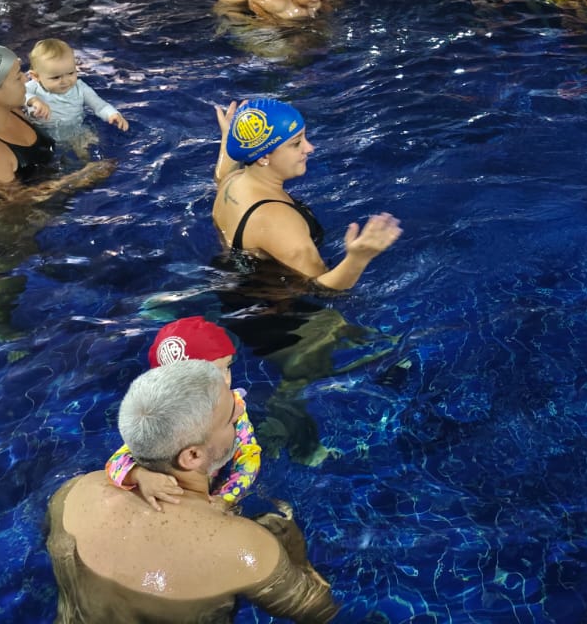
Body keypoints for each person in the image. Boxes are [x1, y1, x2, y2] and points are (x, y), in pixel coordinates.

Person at [45, 359, 338, 622]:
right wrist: (296, 553)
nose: (241, 410)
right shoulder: (246, 549)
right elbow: (318, 610)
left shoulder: (72, 494)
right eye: (230, 417)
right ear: (193, 456)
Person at [212, 98, 401, 289]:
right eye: (296, 143)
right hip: (276, 303)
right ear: (264, 157)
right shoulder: (277, 221)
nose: (309, 148)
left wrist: (231, 137)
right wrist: (358, 258)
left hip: (236, 280)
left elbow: (222, 174)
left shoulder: (232, 181)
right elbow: (322, 290)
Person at [105, 317, 262, 511]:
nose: (227, 380)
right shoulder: (159, 418)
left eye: (227, 368)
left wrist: (227, 497)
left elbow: (248, 454)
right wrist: (141, 476)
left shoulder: (233, 408)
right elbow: (116, 462)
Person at [0, 44, 114, 202]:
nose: (26, 79)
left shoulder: (9, 107)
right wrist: (80, 178)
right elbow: (16, 203)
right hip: (14, 222)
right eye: (17, 77)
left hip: (52, 188)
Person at [23, 38, 128, 148]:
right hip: (41, 132)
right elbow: (20, 95)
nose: (65, 81)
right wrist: (34, 100)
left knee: (89, 143)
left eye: (70, 73)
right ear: (36, 76)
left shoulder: (80, 88)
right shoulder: (33, 87)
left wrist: (112, 114)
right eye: (56, 77)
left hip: (75, 130)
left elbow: (100, 106)